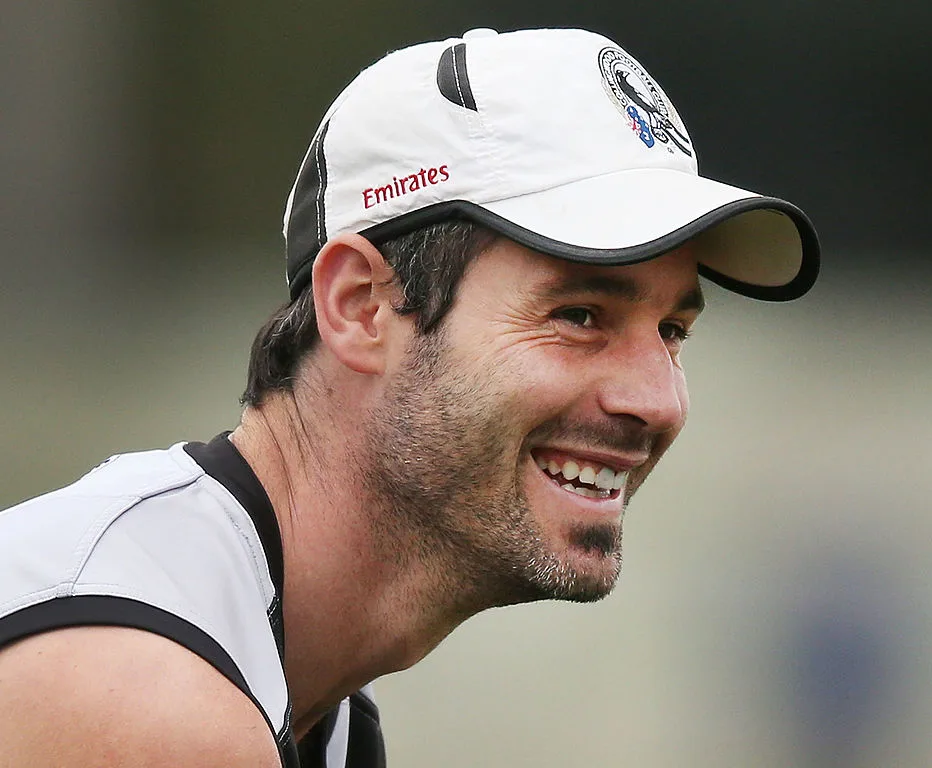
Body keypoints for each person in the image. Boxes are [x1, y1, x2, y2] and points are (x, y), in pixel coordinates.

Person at [0, 27, 819, 768]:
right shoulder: (148, 698)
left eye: (673, 332)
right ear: (359, 306)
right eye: (579, 316)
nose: (657, 400)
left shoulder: (304, 697)